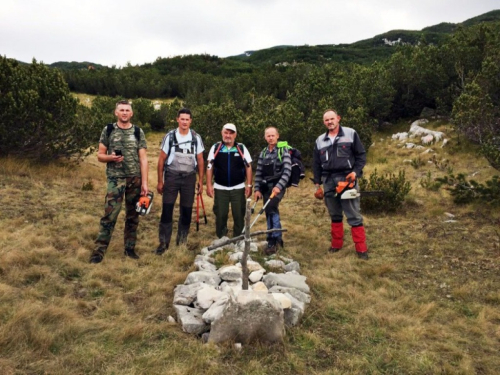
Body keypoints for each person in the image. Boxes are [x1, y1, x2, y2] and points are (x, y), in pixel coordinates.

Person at [90, 100, 148, 264]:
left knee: (133, 216)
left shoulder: (137, 131)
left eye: (127, 110)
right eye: (121, 110)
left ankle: (129, 249)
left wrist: (145, 183)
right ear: (116, 112)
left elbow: (143, 159)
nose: (124, 113)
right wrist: (111, 158)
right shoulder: (108, 130)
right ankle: (99, 251)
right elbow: (100, 155)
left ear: (131, 113)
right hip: (116, 179)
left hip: (134, 179)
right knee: (110, 216)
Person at [312, 109, 369, 260]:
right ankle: (336, 245)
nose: (329, 122)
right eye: (326, 120)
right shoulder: (319, 140)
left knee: (353, 215)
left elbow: (361, 155)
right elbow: (316, 164)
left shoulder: (350, 134)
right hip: (328, 181)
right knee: (335, 214)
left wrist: (355, 172)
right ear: (324, 122)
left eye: (332, 119)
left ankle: (361, 249)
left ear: (338, 118)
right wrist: (317, 185)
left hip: (347, 179)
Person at [154, 108, 204, 254]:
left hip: (189, 178)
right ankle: (164, 243)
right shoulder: (169, 136)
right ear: (177, 120)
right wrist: (160, 181)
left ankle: (181, 242)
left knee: (186, 211)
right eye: (182, 119)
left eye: (187, 119)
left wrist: (200, 180)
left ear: (191, 121)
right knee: (167, 209)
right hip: (172, 176)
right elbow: (161, 160)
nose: (184, 122)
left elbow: (200, 160)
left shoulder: (196, 137)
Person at [206, 123, 253, 238]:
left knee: (239, 214)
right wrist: (208, 185)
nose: (228, 135)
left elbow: (248, 166)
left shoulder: (241, 148)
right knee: (221, 214)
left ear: (235, 135)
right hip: (220, 187)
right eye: (226, 133)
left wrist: (249, 185)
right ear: (222, 133)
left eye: (231, 133)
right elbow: (209, 166)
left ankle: (239, 238)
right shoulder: (216, 147)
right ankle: (221, 238)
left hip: (238, 187)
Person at [254, 127, 291, 255]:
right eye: (268, 136)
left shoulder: (283, 150)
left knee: (271, 207)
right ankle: (276, 237)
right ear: (265, 137)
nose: (270, 138)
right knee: (269, 211)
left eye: (272, 135)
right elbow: (258, 172)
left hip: (278, 186)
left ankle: (273, 240)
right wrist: (257, 189)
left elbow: (287, 171)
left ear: (277, 136)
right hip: (266, 187)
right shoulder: (263, 152)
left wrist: (279, 186)